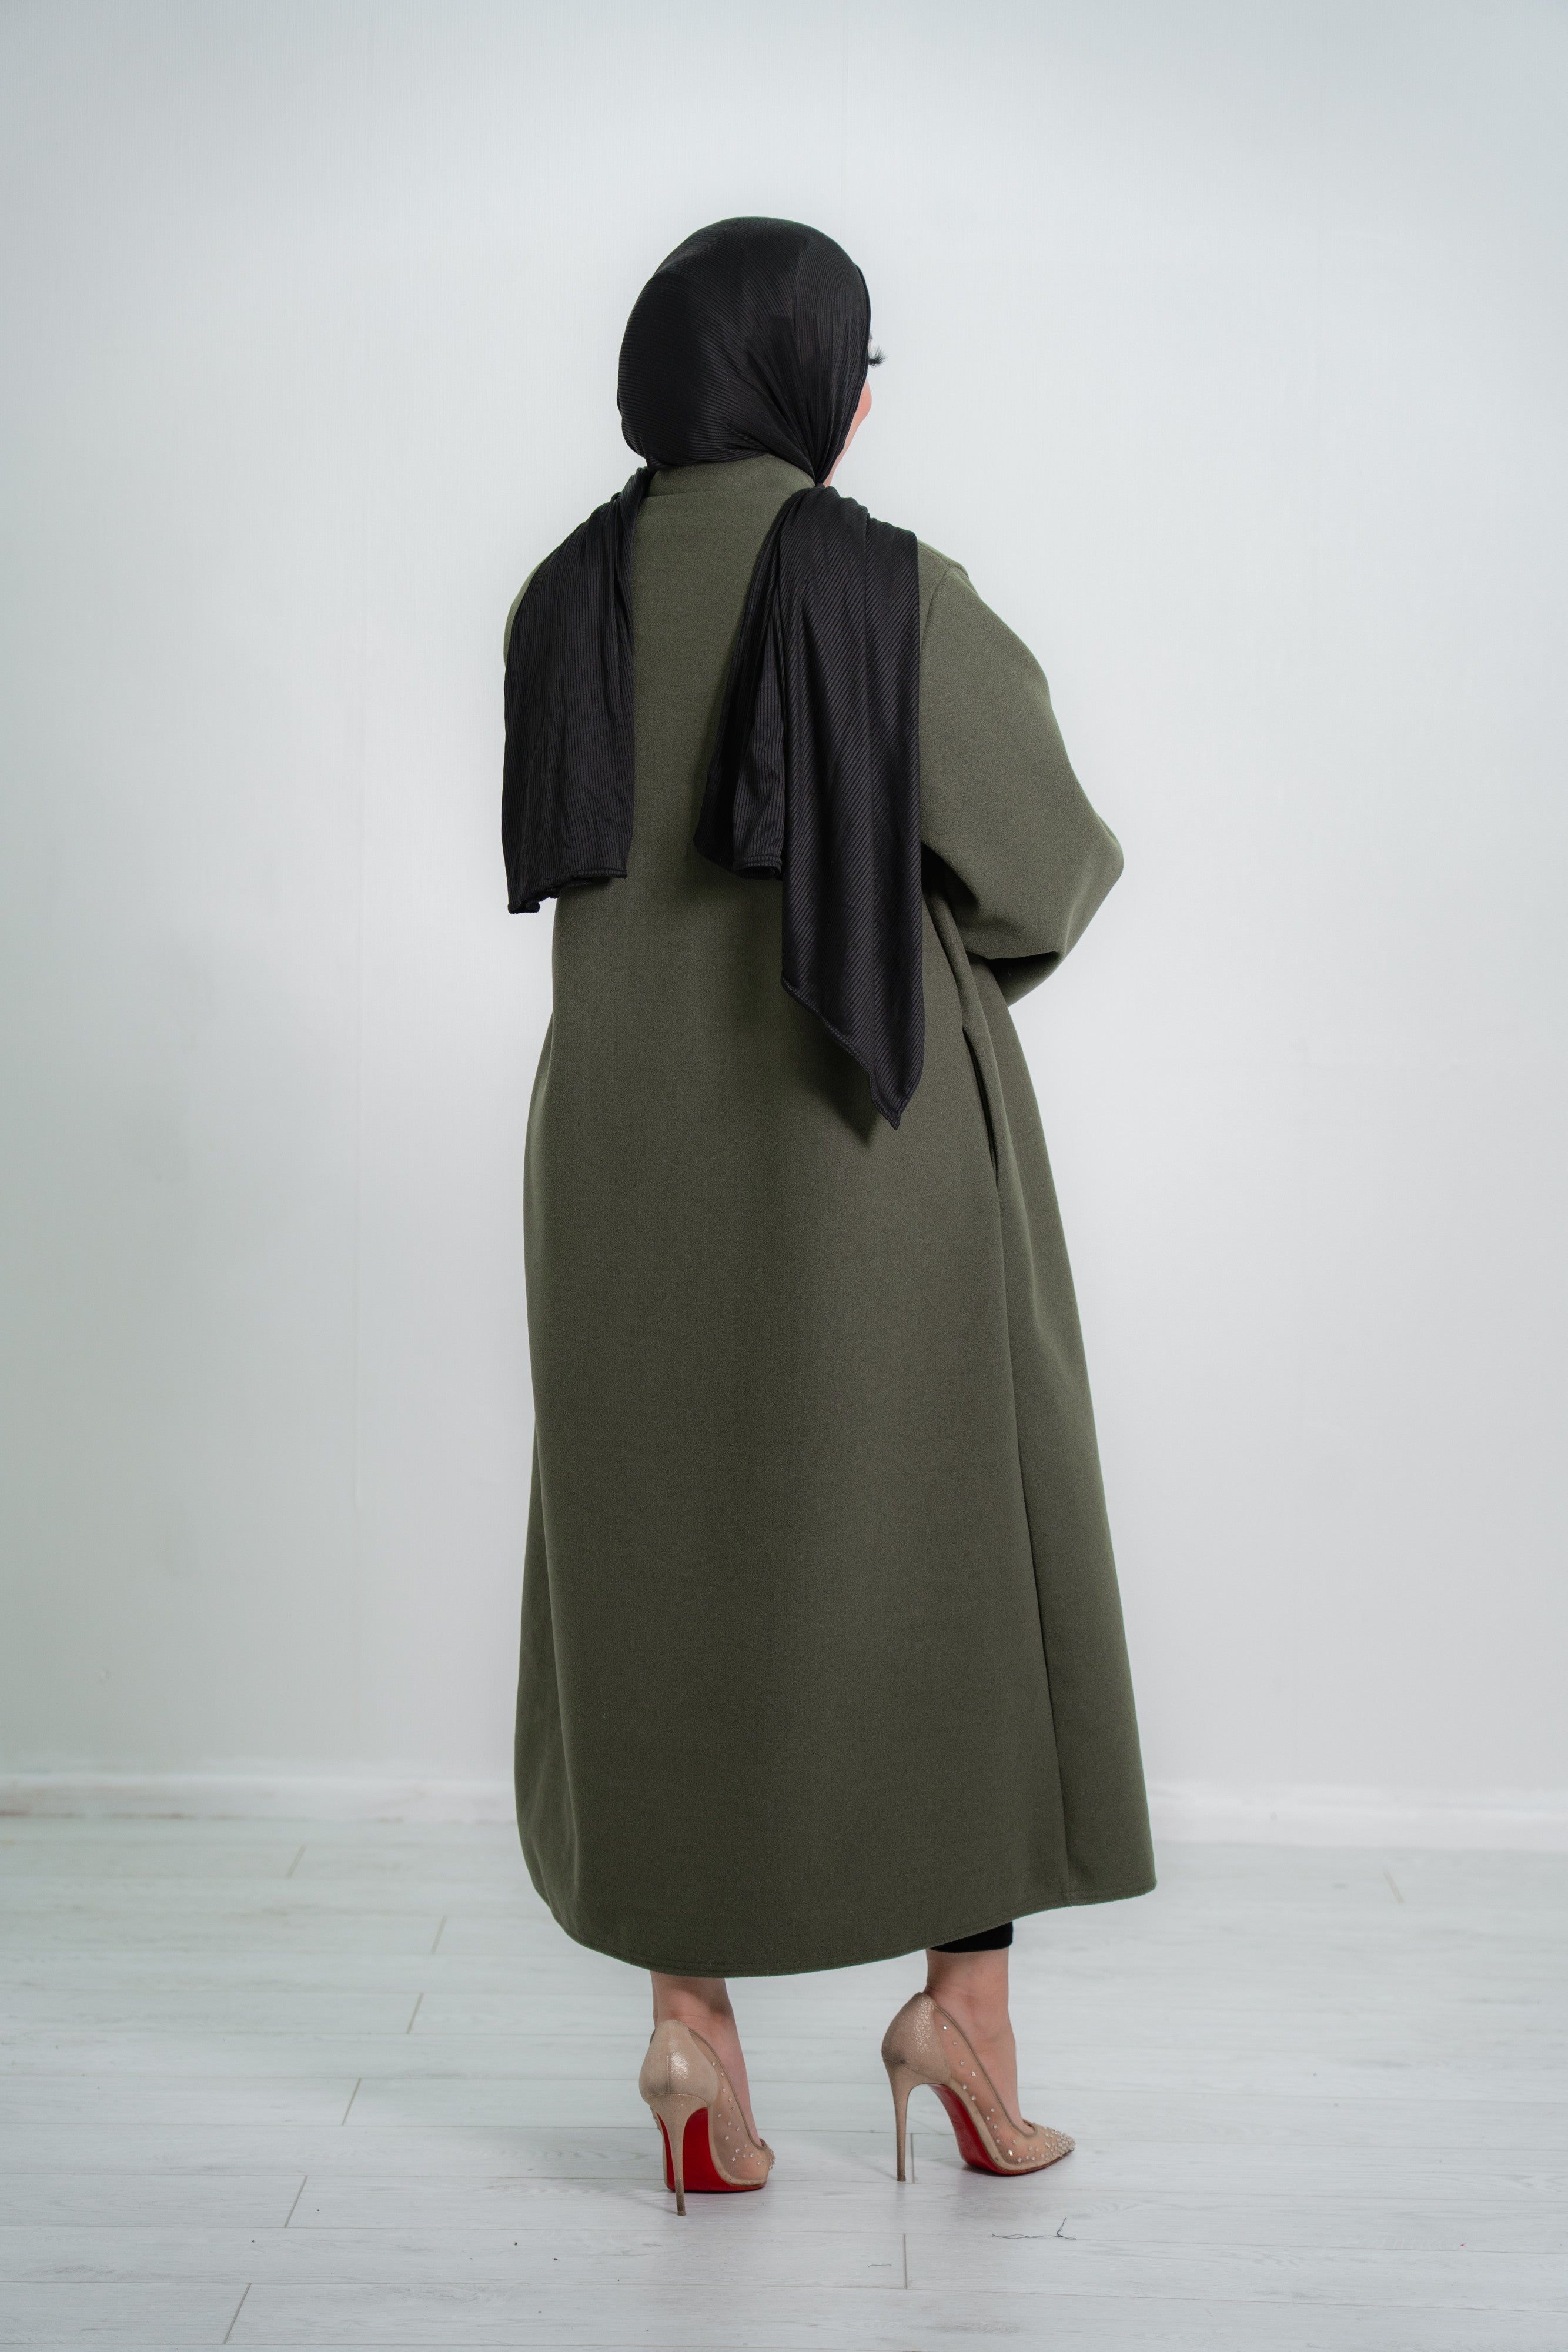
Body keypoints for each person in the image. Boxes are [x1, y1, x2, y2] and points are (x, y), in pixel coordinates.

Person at [502, 217, 1154, 2215]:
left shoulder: (563, 598)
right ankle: (964, 2015)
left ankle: (688, 2034)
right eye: (858, 366)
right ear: (803, 378)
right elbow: (1044, 865)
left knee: (658, 1556)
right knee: (946, 1536)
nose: (865, 402)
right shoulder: (887, 589)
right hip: (866, 1145)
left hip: (617, 1167)